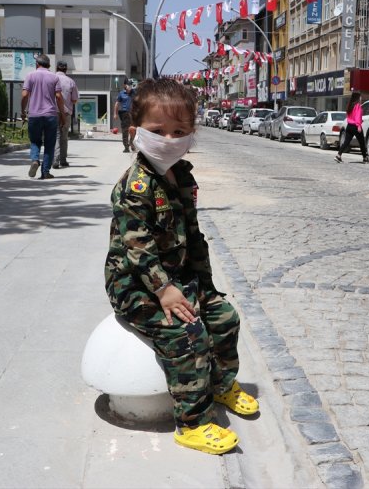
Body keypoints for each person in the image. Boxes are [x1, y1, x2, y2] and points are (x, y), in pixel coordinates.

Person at [104, 78, 258, 455]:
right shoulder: (136, 186)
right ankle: (192, 422)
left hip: (179, 276)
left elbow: (194, 235)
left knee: (223, 317)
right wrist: (164, 290)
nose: (169, 140)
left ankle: (220, 385)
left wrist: (205, 285)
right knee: (187, 333)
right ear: (135, 132)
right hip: (136, 284)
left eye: (179, 132)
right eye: (158, 131)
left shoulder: (182, 175)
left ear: (191, 134)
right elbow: (137, 248)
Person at [21, 54, 64, 179]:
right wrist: (62, 114)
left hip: (34, 115)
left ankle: (35, 160)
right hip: (50, 115)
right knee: (50, 144)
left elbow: (24, 95)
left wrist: (23, 111)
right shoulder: (54, 77)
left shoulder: (30, 76)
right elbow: (59, 97)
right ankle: (45, 172)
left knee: (35, 141)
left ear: (37, 64)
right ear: (49, 65)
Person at [53, 61, 79, 169]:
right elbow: (74, 99)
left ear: (56, 68)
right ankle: (63, 160)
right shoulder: (70, 82)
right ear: (66, 69)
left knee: (55, 136)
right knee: (64, 136)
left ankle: (55, 160)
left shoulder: (51, 79)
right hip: (66, 112)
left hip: (52, 112)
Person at [334, 92, 369, 163]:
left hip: (349, 126)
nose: (361, 98)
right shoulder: (358, 106)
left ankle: (338, 155)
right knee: (362, 142)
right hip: (356, 126)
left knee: (346, 142)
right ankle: (365, 157)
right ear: (357, 98)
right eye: (360, 97)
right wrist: (359, 125)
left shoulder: (350, 106)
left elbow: (349, 116)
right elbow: (357, 117)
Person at [114, 79, 134, 153]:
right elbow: (117, 104)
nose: (130, 86)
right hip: (124, 114)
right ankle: (126, 147)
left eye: (131, 85)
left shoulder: (134, 93)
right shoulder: (121, 93)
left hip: (133, 114)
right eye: (129, 85)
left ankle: (131, 142)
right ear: (125, 85)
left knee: (133, 130)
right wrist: (115, 114)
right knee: (125, 131)